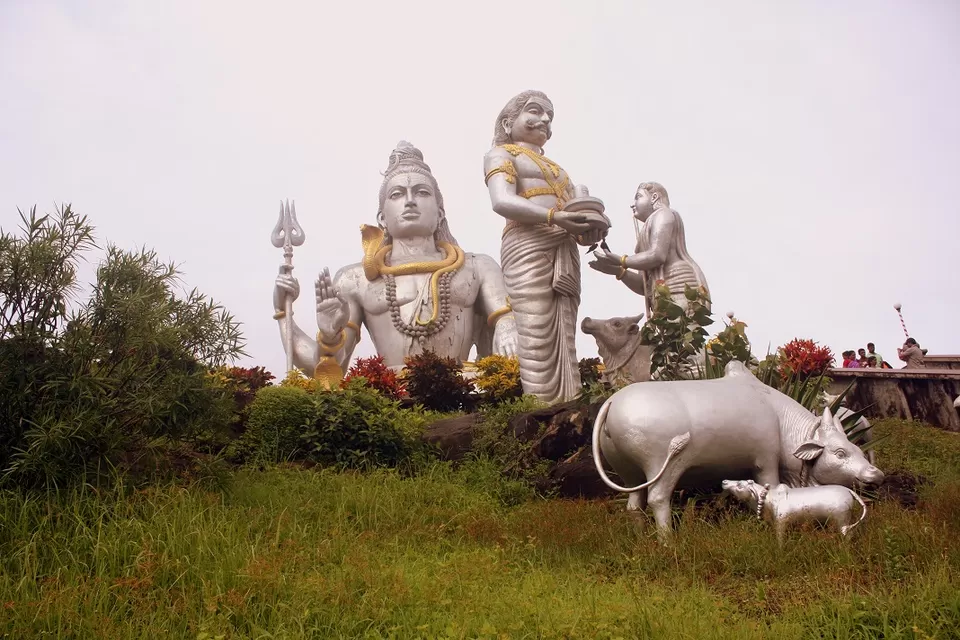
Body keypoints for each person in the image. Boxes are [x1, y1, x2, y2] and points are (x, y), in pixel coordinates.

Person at [273, 141, 518, 383]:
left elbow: (512, 329)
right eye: (397, 194)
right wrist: (294, 318)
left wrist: (508, 328)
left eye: (422, 192)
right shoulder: (355, 279)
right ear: (382, 218)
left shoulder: (477, 267)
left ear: (440, 212)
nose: (410, 200)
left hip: (463, 389)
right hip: (389, 396)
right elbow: (325, 369)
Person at [483, 90, 609, 404]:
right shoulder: (502, 154)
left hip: (564, 250)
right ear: (508, 121)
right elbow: (502, 201)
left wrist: (588, 229)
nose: (545, 120)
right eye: (536, 111)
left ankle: (569, 408)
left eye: (549, 116)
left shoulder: (559, 170)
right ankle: (540, 411)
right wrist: (556, 217)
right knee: (535, 332)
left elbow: (575, 216)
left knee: (565, 335)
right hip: (528, 246)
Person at [589, 182, 711, 318]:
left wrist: (622, 260)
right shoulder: (646, 231)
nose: (633, 204)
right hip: (660, 294)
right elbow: (643, 285)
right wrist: (619, 271)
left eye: (638, 197)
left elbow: (657, 255)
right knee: (669, 336)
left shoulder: (663, 214)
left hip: (678, 284)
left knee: (683, 330)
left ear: (654, 198)